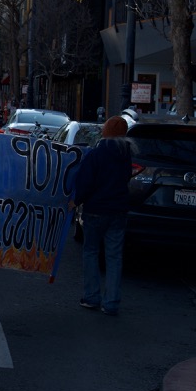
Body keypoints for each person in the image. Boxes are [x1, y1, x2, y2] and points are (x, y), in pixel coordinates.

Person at [69, 116, 132, 316]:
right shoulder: (126, 156)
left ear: (105, 132)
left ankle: (91, 297)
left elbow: (86, 183)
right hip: (118, 211)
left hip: (95, 210)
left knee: (91, 253)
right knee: (114, 257)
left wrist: (76, 201)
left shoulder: (96, 155)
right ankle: (111, 302)